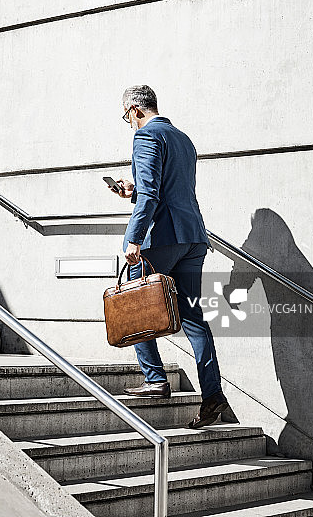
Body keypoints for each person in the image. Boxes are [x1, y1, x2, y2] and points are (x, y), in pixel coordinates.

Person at [107, 84, 231, 429]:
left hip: (161, 238)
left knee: (133, 306)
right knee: (193, 318)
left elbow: (151, 195)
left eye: (126, 117)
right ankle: (212, 395)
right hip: (193, 237)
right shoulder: (183, 139)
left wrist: (133, 238)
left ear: (134, 110)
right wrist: (132, 192)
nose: (129, 123)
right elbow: (168, 188)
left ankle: (155, 379)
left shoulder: (145, 137)